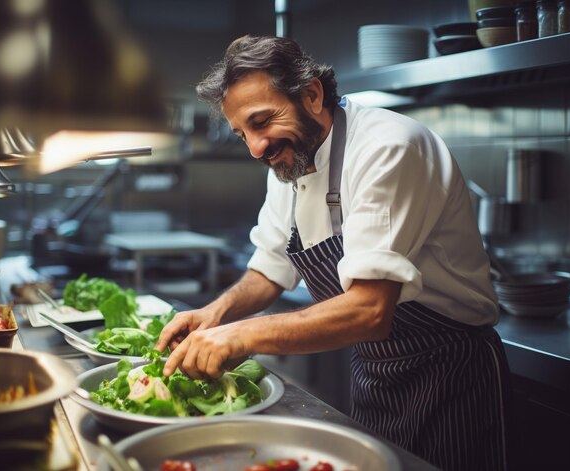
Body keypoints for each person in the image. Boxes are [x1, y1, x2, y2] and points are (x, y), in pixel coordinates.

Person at [156, 35, 512, 471]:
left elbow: (369, 310)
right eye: (242, 133)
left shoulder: (388, 147)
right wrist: (217, 314)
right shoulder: (289, 162)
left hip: (452, 373)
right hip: (375, 371)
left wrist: (241, 335)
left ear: (311, 93)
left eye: (263, 121)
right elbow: (269, 269)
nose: (254, 147)